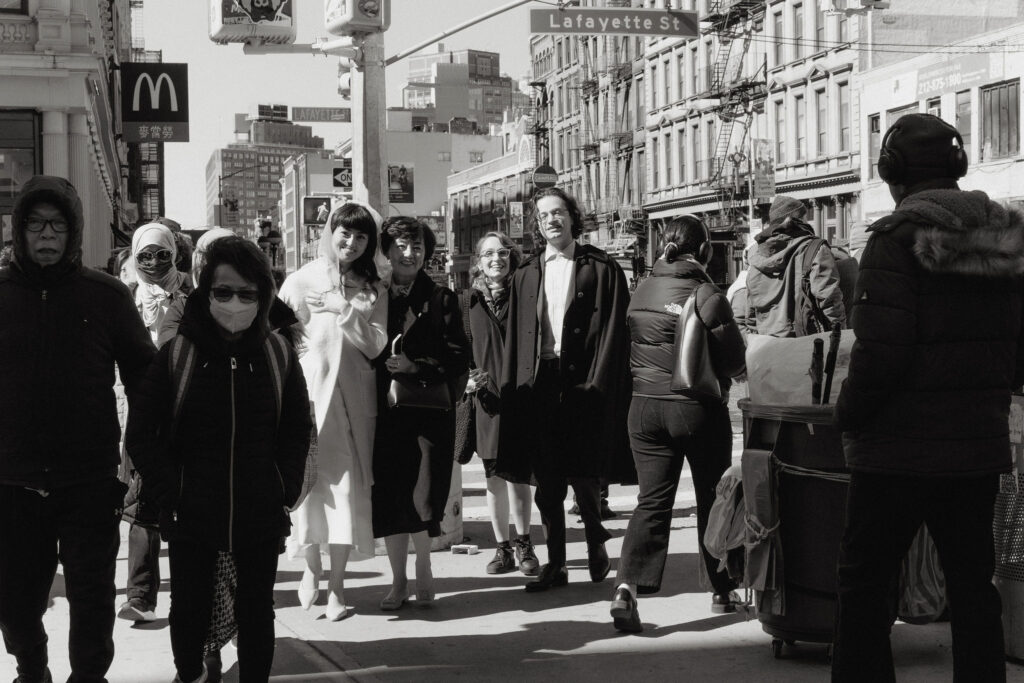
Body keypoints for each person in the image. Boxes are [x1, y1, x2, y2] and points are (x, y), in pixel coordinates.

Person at [831, 112, 1024, 682]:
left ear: (891, 170)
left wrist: (846, 415)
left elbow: (879, 356)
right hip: (975, 450)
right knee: (972, 589)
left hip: (894, 454)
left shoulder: (895, 242)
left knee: (865, 587)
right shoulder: (1006, 242)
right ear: (958, 165)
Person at [126, 236, 311, 683]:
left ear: (263, 297)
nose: (234, 303)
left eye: (247, 294)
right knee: (188, 608)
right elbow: (141, 434)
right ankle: (189, 674)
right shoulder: (179, 354)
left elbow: (296, 428)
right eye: (223, 292)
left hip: (259, 512)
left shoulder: (277, 354)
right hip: (192, 512)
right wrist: (174, 492)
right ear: (206, 292)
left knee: (256, 610)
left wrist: (282, 487)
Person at [0, 175, 154, 683]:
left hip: (88, 480)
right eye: (36, 224)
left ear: (73, 232)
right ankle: (32, 667)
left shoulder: (105, 296)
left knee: (91, 600)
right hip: (12, 482)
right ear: (19, 230)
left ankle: (89, 676)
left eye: (58, 225)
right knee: (16, 603)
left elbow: (145, 377)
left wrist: (150, 456)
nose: (47, 235)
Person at [609, 215, 747, 633]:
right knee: (711, 497)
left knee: (652, 502)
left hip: (644, 408)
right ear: (704, 251)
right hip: (694, 408)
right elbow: (735, 361)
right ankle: (722, 590)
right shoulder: (706, 293)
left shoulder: (642, 290)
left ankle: (626, 588)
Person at [497, 187, 632, 593]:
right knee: (548, 480)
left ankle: (595, 540)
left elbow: (614, 333)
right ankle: (556, 562)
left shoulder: (601, 267)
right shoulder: (526, 274)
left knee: (585, 475)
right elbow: (516, 343)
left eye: (558, 213)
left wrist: (600, 383)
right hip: (541, 385)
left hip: (585, 384)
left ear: (573, 217)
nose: (551, 220)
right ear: (537, 225)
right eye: (543, 216)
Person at [280, 202, 388, 621]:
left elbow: (375, 345)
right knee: (307, 490)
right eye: (345, 233)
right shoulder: (300, 279)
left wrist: (342, 309)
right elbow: (280, 340)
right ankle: (311, 570)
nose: (351, 242)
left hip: (353, 407)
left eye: (361, 237)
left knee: (346, 494)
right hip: (307, 403)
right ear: (330, 231)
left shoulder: (372, 288)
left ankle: (338, 589)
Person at [372, 216, 469, 610]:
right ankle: (397, 580)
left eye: (417, 247)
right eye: (400, 246)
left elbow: (459, 355)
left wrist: (416, 366)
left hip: (428, 413)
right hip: (384, 413)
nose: (408, 254)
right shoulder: (373, 295)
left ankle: (424, 568)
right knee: (392, 498)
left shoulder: (441, 298)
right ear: (386, 250)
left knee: (422, 497)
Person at [118, 221, 193, 626]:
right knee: (141, 499)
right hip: (137, 411)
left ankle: (188, 593)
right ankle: (140, 595)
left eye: (161, 254)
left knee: (184, 503)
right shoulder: (125, 298)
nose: (152, 262)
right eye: (144, 255)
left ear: (175, 254)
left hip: (185, 411)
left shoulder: (194, 296)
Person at [463, 231, 539, 576]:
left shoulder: (525, 296)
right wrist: (465, 379)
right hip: (487, 403)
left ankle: (525, 543)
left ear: (512, 258)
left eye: (503, 253)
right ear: (479, 262)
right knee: (494, 479)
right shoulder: (468, 302)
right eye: (488, 254)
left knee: (520, 478)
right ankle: (502, 547)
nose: (497, 259)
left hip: (521, 400)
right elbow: (460, 349)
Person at [746, 195, 845, 336]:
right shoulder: (815, 248)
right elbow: (830, 302)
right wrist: (839, 339)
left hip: (767, 346)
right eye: (804, 216)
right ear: (796, 220)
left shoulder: (755, 255)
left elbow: (751, 313)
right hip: (804, 345)